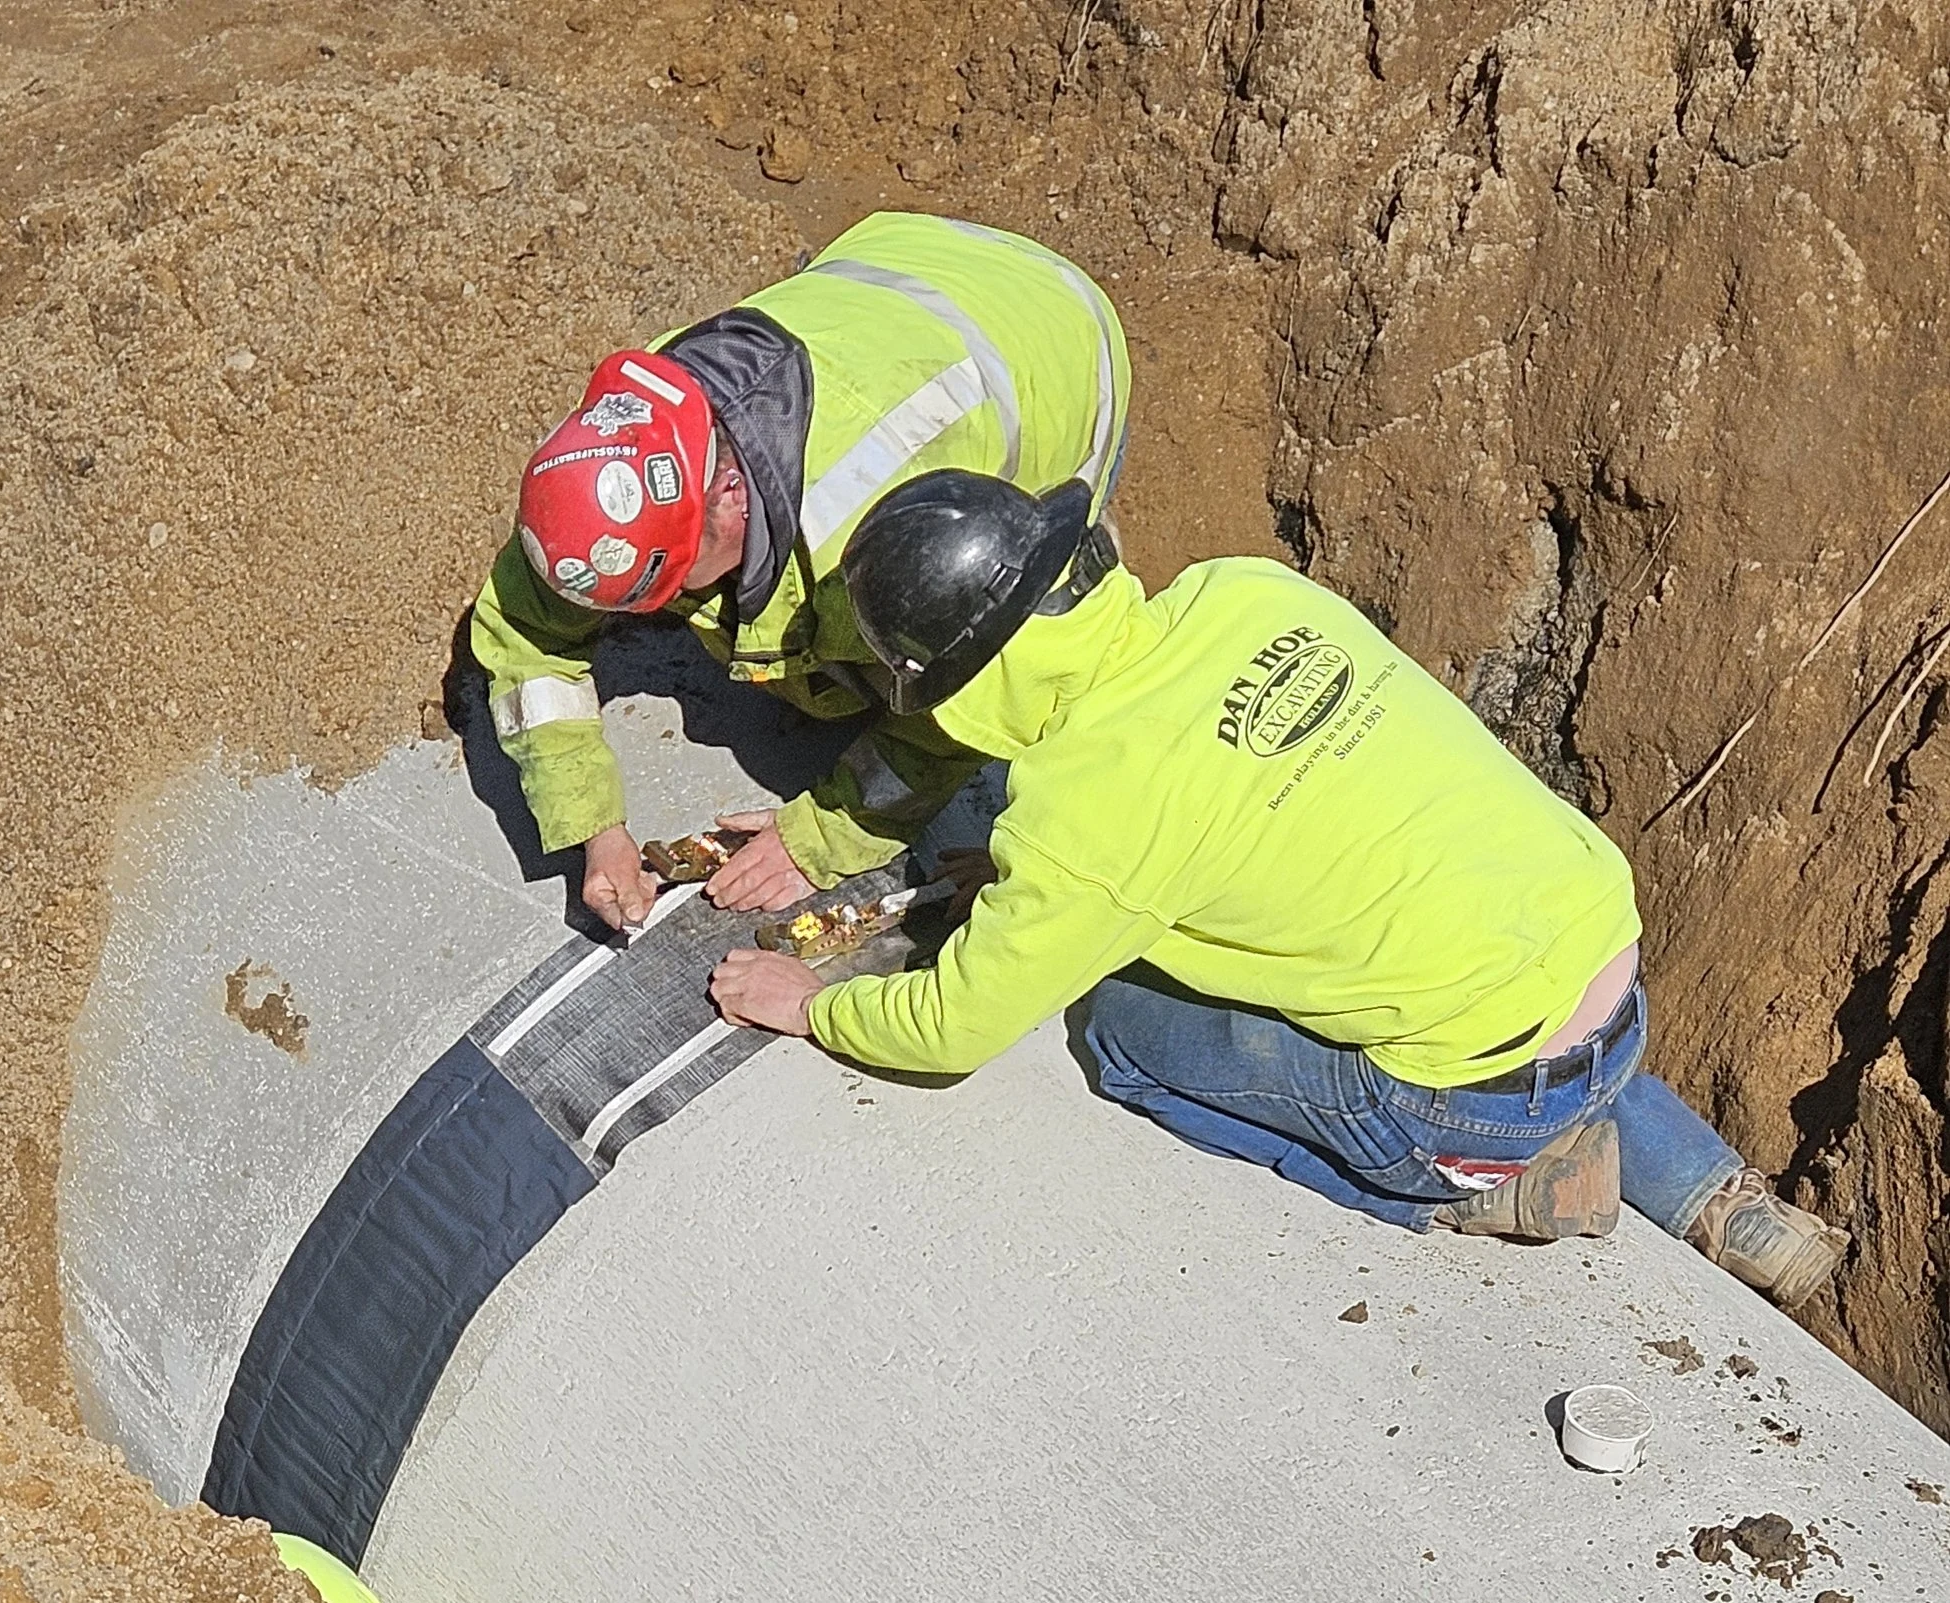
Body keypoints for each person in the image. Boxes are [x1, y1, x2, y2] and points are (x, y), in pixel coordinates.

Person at [706, 471, 1847, 1308]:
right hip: (1596, 962)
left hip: (1472, 1102)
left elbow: (953, 1029)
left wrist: (807, 1003)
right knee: (1473, 974)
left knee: (1116, 1028)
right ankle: (1727, 1207)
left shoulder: (1083, 818)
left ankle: (1461, 1193)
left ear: (958, 686)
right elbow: (1253, 813)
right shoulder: (1243, 597)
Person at [470, 214, 1129, 935]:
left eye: (672, 583)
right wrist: (593, 822)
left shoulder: (878, 535)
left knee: (992, 645)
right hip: (912, 262)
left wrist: (824, 837)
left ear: (726, 500)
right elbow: (526, 633)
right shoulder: (638, 428)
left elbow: (966, 700)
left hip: (1058, 351)